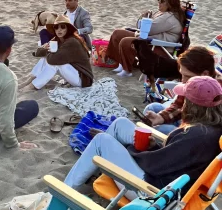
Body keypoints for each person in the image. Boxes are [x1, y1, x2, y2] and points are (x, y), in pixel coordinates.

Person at [64, 76, 222, 194]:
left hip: (151, 191)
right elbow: (173, 159)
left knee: (101, 140)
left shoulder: (195, 135)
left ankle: (65, 192)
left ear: (192, 105)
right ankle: (90, 170)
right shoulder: (210, 130)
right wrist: (154, 146)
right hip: (165, 179)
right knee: (121, 124)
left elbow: (154, 165)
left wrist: (127, 147)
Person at [107, 0, 184, 77]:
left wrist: (144, 19)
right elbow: (148, 28)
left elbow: (148, 29)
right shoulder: (163, 13)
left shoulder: (169, 18)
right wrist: (147, 19)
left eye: (162, 1)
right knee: (117, 33)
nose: (159, 2)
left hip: (160, 47)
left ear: (170, 3)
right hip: (150, 39)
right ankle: (121, 63)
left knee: (125, 41)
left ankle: (127, 70)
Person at [144, 46, 220, 134]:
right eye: (182, 74)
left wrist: (166, 121)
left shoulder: (215, 92)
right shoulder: (194, 82)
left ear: (205, 73)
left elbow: (203, 124)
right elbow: (179, 104)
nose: (183, 80)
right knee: (152, 108)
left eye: (188, 76)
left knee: (160, 129)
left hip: (199, 130)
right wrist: (161, 117)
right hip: (187, 118)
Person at [22, 15, 94, 90]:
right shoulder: (57, 39)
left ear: (68, 29)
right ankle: (32, 78)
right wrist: (45, 48)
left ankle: (33, 86)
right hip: (73, 73)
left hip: (83, 80)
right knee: (45, 59)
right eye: (56, 27)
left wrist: (47, 52)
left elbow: (53, 60)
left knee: (54, 64)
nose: (59, 30)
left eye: (62, 27)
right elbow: (38, 53)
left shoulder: (72, 42)